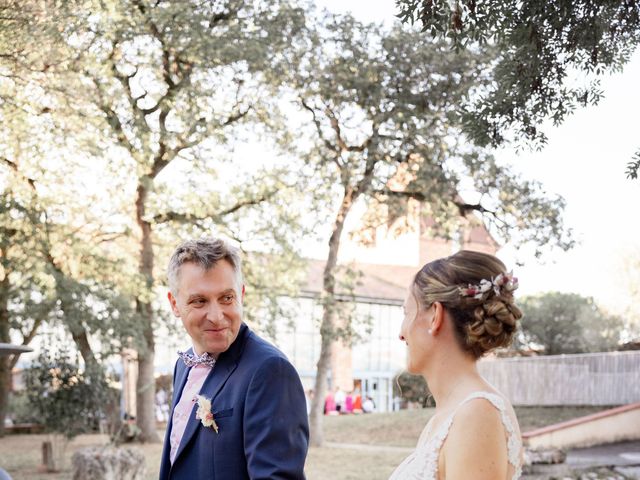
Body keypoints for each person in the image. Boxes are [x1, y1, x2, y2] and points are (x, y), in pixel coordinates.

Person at [159, 238, 309, 480]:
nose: (217, 316)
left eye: (226, 298)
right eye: (199, 301)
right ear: (174, 304)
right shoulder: (182, 365)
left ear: (241, 294)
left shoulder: (270, 370)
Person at [389, 250, 524, 480]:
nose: (401, 334)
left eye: (406, 312)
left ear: (435, 315)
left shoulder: (477, 412)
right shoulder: (447, 416)